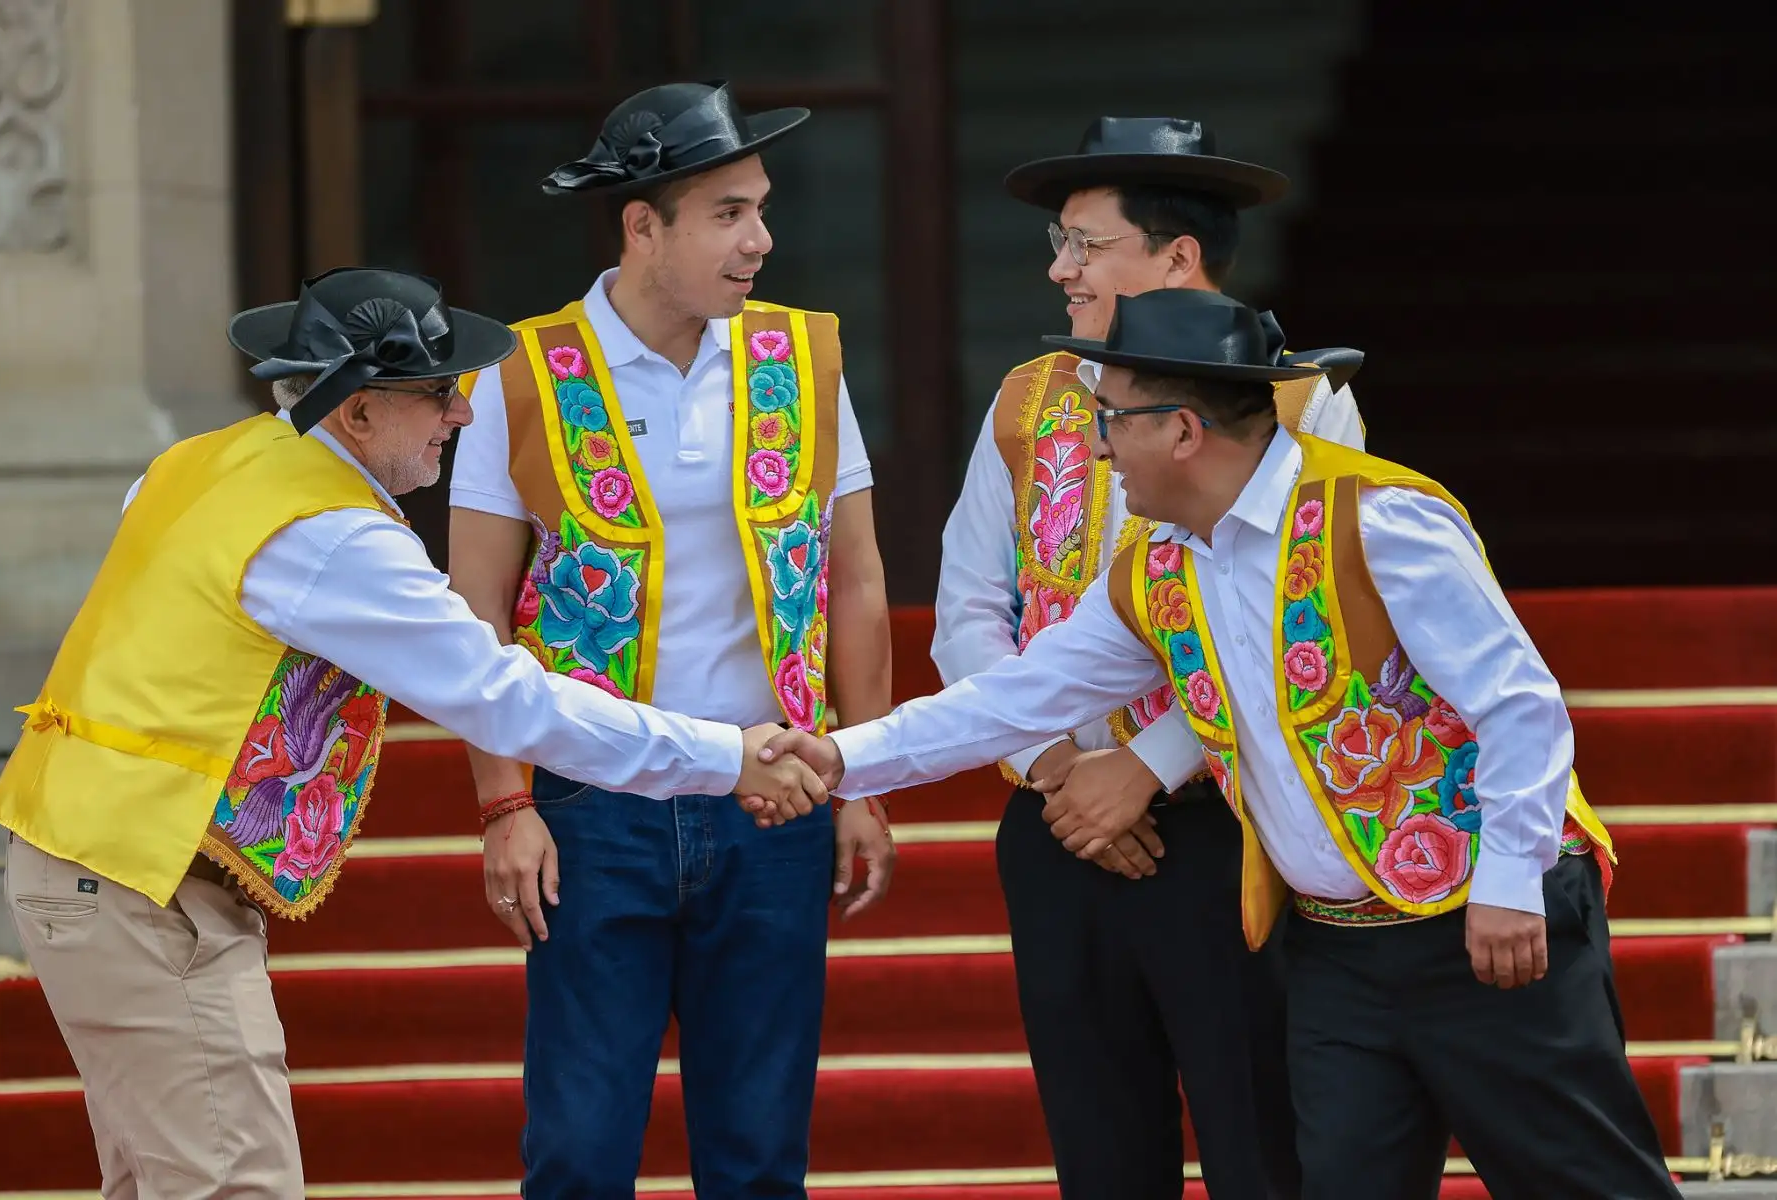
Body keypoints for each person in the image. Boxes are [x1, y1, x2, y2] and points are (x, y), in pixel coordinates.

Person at [756, 290, 1682, 1199]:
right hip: (1334, 953)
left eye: (1112, 419)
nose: (1100, 446)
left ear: (1184, 432)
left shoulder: (1378, 516)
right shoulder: (1157, 567)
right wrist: (845, 757)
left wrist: (1513, 883)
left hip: (1483, 925)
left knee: (1584, 1181)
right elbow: (1017, 696)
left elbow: (1519, 703)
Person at [0, 266, 827, 1200]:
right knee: (235, 1188)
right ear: (352, 413)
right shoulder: (333, 538)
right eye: (436, 392)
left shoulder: (199, 460)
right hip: (142, 878)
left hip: (96, 859)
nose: (460, 415)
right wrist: (725, 752)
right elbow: (511, 700)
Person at [443, 80, 897, 1200]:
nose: (763, 239)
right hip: (595, 804)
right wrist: (506, 805)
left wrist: (868, 776)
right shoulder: (519, 376)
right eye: (730, 213)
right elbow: (473, 616)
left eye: (762, 207)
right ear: (643, 225)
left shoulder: (804, 357)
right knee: (581, 1150)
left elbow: (857, 579)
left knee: (758, 1156)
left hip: (775, 796)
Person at [931, 116, 1364, 1198]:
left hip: (1229, 822)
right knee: (1099, 1146)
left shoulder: (1301, 401)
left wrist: (1150, 766)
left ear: (1178, 259)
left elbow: (1298, 624)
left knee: (1260, 1136)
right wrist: (1055, 768)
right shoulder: (1028, 400)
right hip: (1057, 825)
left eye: (1085, 243)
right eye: (1060, 243)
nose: (1058, 267)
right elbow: (968, 608)